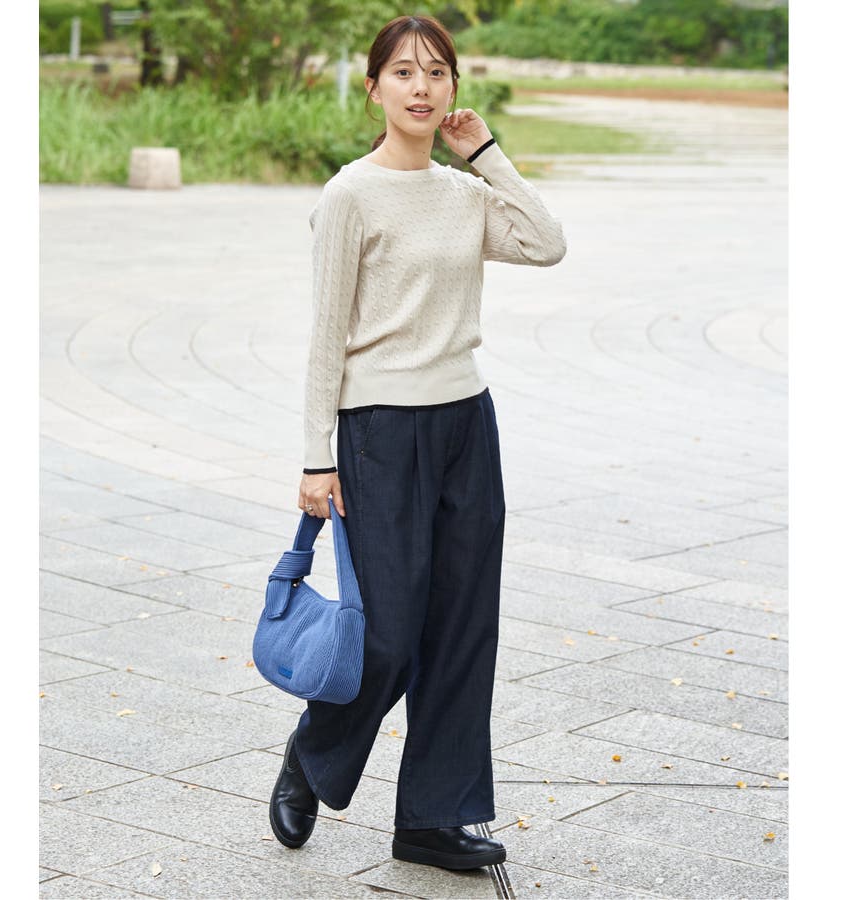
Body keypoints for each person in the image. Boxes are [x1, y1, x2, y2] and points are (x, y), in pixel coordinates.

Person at [270, 14, 566, 872]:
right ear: (374, 88)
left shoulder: (465, 194)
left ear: (454, 89)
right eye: (403, 71)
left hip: (465, 422)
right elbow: (326, 334)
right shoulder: (350, 195)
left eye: (437, 71)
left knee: (464, 626)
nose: (422, 86)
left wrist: (487, 155)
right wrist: (316, 454)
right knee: (390, 633)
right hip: (379, 432)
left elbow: (546, 244)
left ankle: (434, 819)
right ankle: (312, 754)